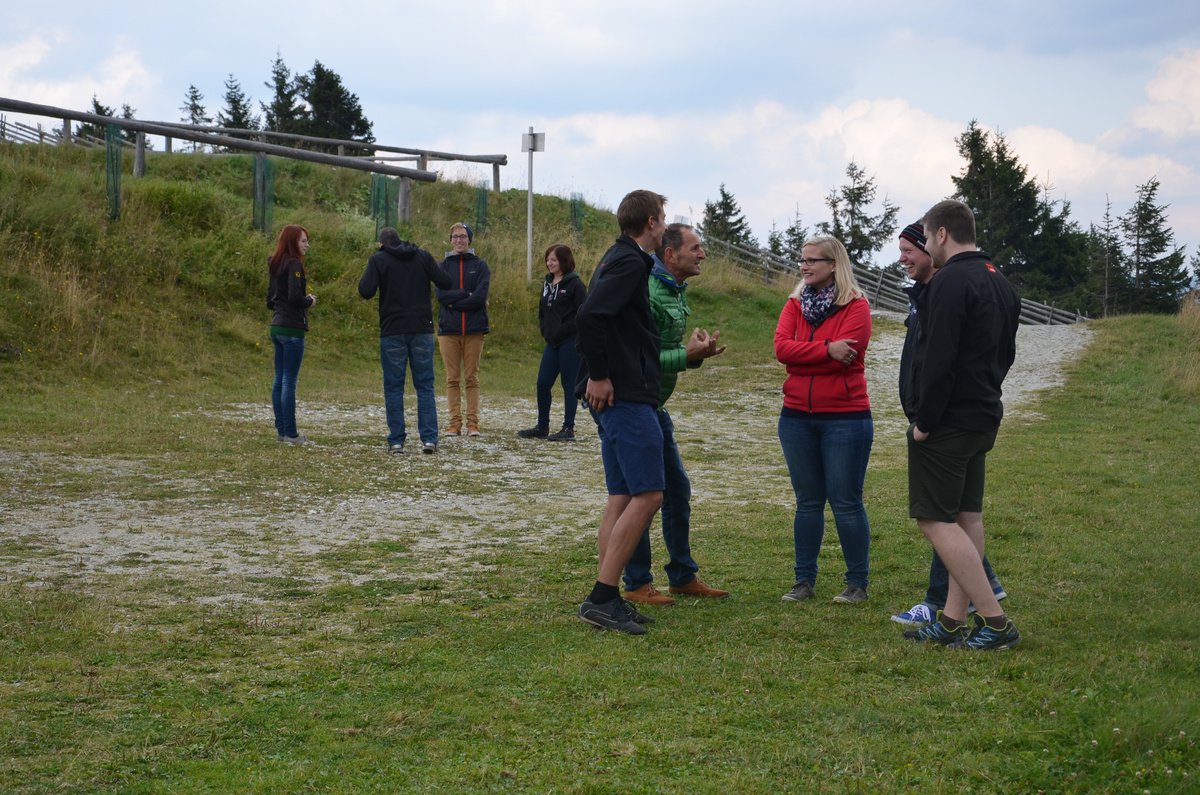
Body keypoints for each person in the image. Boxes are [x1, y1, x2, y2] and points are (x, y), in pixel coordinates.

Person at [902, 199, 1022, 650]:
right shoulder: (998, 279)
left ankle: (995, 622)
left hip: (947, 422)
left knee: (934, 519)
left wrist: (925, 422)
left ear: (941, 235)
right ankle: (952, 621)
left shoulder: (949, 281)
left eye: (926, 237)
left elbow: (938, 360)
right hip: (982, 415)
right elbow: (1006, 354)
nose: (927, 245)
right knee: (966, 516)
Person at [575, 189, 669, 635]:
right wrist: (598, 375)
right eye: (663, 217)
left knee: (622, 495)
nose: (665, 225)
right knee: (649, 494)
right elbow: (590, 316)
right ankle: (602, 596)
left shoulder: (620, 257)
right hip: (625, 395)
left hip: (621, 394)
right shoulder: (630, 261)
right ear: (650, 221)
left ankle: (607, 596)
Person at [622, 223, 730, 606]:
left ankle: (682, 576)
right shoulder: (649, 291)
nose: (703, 254)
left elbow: (665, 353)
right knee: (644, 495)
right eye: (695, 247)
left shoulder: (674, 289)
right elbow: (642, 359)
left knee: (677, 491)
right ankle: (637, 583)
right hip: (636, 406)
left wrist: (694, 355)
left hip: (656, 405)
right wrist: (687, 355)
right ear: (670, 255)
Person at [774, 236, 874, 605]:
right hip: (796, 417)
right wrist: (826, 349)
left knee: (846, 502)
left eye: (813, 260)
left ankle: (857, 584)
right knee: (808, 502)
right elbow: (781, 349)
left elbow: (848, 355)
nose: (804, 266)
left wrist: (807, 356)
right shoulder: (794, 303)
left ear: (834, 264)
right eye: (802, 259)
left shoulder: (857, 306)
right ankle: (803, 581)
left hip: (846, 419)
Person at [358, 226, 453, 455]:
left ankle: (397, 441)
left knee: (394, 387)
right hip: (421, 328)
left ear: (381, 244)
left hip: (393, 330)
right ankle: (429, 439)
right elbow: (445, 282)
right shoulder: (422, 255)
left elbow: (365, 291)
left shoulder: (379, 259)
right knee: (425, 386)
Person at [517, 244, 587, 441]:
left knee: (569, 384)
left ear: (564, 261)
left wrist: (565, 330)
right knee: (543, 383)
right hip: (552, 343)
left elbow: (583, 313)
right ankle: (542, 426)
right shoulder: (547, 283)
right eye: (548, 259)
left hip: (570, 342)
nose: (549, 263)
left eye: (554, 259)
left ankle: (568, 428)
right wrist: (544, 329)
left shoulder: (575, 284)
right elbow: (542, 311)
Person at [436, 222, 491, 437]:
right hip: (448, 330)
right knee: (452, 379)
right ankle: (454, 423)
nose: (459, 240)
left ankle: (472, 424)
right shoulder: (442, 266)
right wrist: (464, 293)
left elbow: (479, 297)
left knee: (471, 378)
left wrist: (455, 302)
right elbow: (441, 296)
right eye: (455, 236)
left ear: (469, 239)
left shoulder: (480, 266)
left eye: (463, 236)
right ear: (451, 240)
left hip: (474, 329)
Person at [266, 223, 316, 446]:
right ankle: (292, 434)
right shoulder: (294, 264)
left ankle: (282, 431)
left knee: (279, 379)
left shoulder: (275, 263)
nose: (307, 245)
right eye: (303, 241)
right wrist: (309, 301)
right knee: (289, 382)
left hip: (276, 327)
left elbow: (270, 299)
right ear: (293, 242)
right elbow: (295, 297)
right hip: (292, 329)